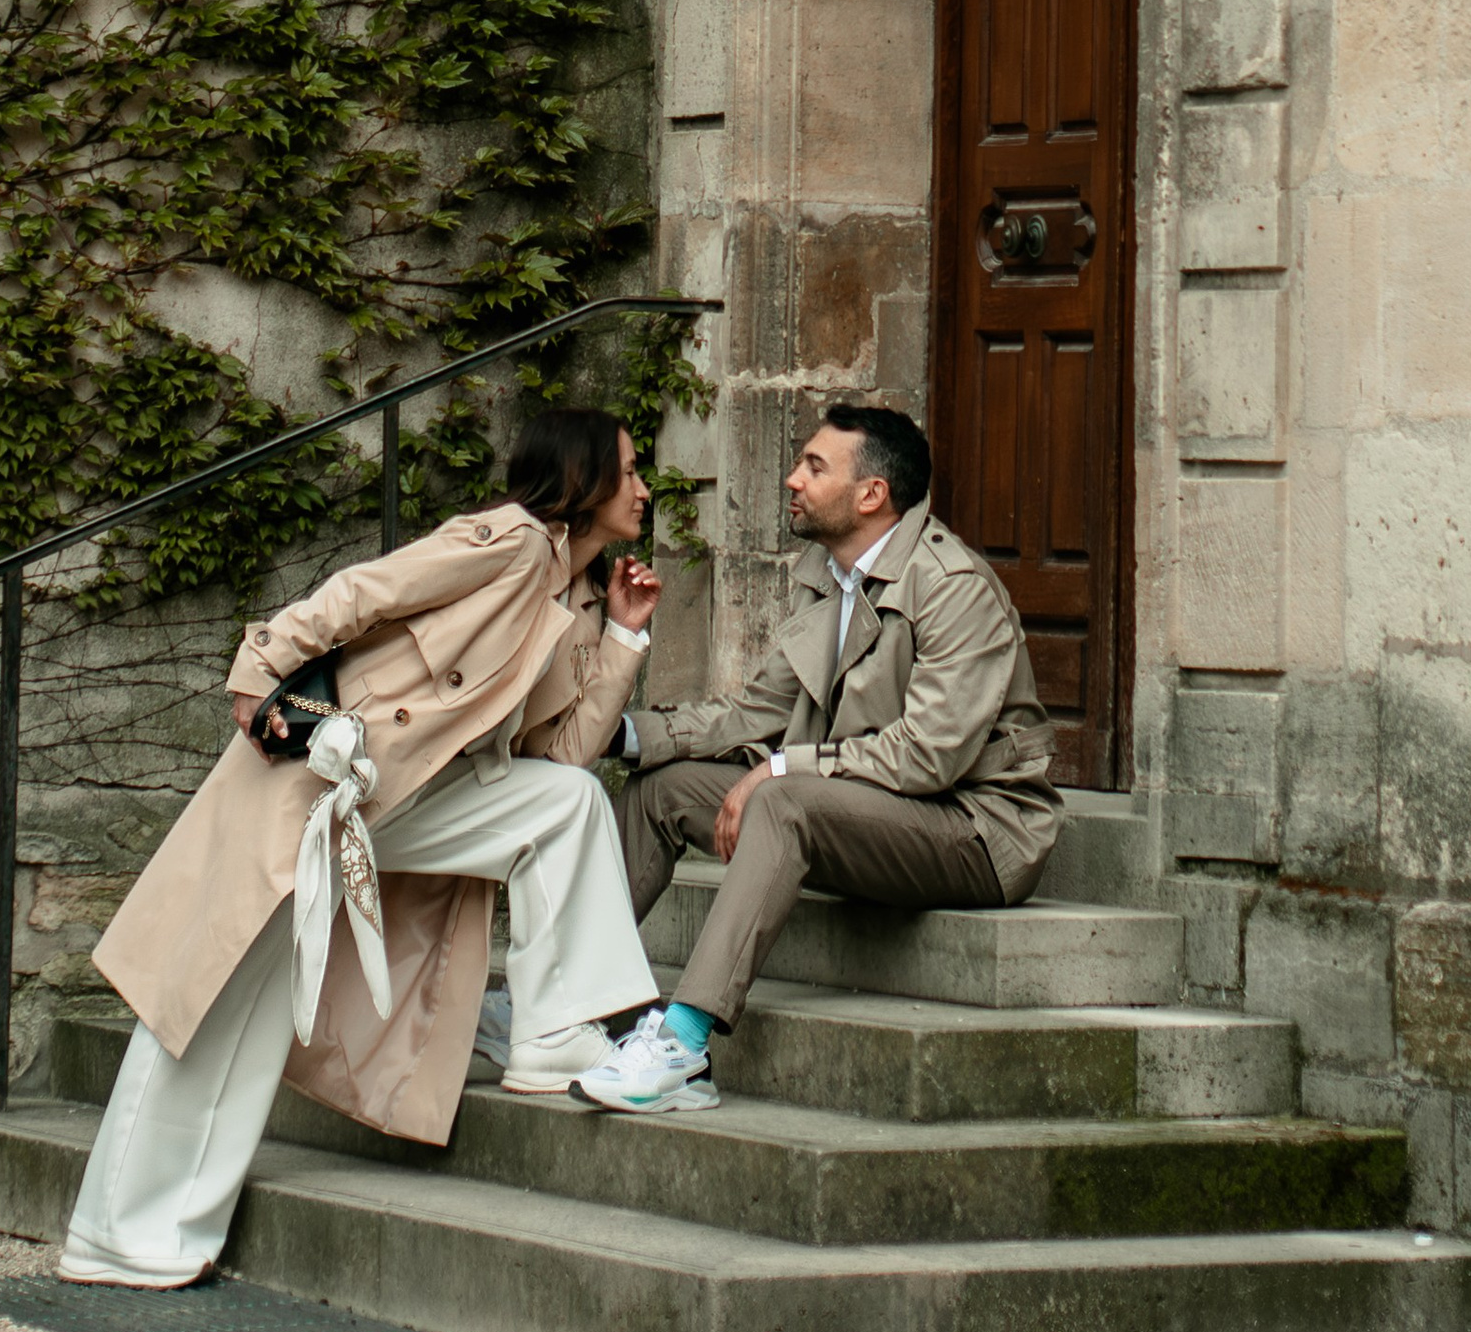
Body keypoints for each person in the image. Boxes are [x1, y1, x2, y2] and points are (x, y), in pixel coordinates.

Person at [58, 405, 665, 1286]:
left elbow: (564, 755)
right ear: (584, 476)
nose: (644, 487)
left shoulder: (574, 598)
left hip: (413, 792)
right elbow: (366, 589)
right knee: (227, 982)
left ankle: (554, 1032)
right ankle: (121, 1236)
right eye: (630, 468)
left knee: (564, 803)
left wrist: (623, 635)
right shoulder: (511, 540)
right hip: (329, 771)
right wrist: (261, 664)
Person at [577, 400, 1061, 1114]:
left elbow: (928, 756)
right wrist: (615, 733)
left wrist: (780, 769)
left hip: (978, 831)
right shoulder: (828, 577)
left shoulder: (954, 587)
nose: (792, 478)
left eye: (814, 466)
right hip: (876, 814)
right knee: (664, 789)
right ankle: (570, 1004)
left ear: (871, 494)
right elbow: (755, 713)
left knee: (783, 799)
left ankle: (683, 1045)